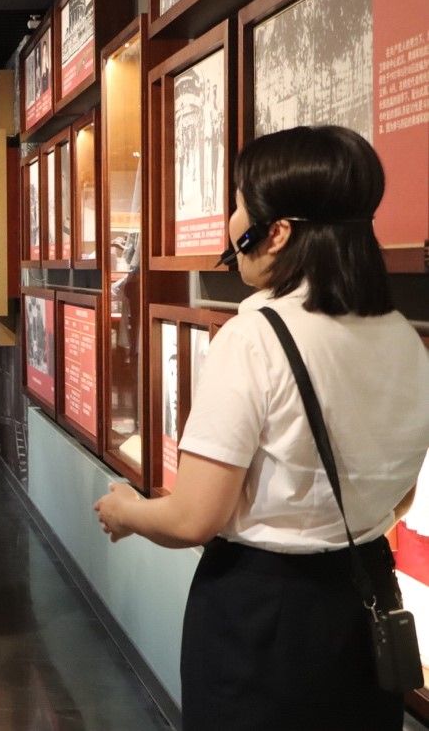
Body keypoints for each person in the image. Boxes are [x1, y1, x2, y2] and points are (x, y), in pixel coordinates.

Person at [94, 126, 429, 731]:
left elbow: (194, 518)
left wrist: (125, 511)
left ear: (276, 232)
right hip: (366, 602)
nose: (231, 223)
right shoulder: (404, 338)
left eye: (239, 206)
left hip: (265, 617)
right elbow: (399, 498)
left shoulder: (255, 336)